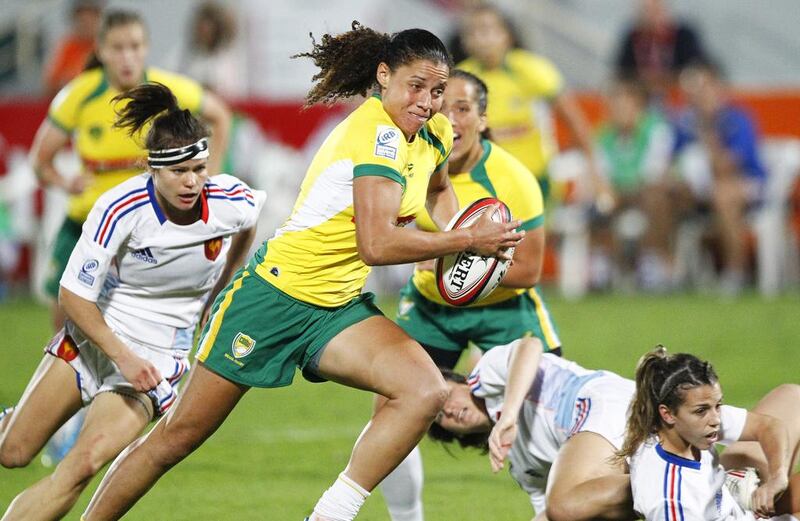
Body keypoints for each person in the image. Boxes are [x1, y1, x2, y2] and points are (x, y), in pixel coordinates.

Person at [80, 22, 523, 521]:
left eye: (437, 90)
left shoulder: (434, 132)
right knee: (175, 439)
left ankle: (329, 514)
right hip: (273, 298)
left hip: (336, 308)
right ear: (383, 76)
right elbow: (375, 245)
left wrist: (465, 246)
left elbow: (440, 192)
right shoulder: (375, 133)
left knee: (425, 389)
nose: (426, 100)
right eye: (415, 86)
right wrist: (467, 241)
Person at [0, 82, 262, 521]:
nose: (192, 181)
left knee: (80, 466)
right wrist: (123, 357)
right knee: (13, 452)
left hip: (157, 359)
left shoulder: (229, 201)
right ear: (151, 170)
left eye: (198, 168)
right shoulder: (120, 208)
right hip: (94, 341)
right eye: (179, 171)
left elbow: (249, 223)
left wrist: (220, 287)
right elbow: (72, 296)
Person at [380, 69, 561, 521]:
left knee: (549, 416)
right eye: (444, 107)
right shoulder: (409, 163)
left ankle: (557, 509)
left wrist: (459, 267)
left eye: (464, 108)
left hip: (504, 309)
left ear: (482, 119)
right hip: (431, 309)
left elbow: (531, 269)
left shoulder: (513, 180)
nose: (452, 119)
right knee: (390, 414)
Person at [429, 340, 800, 521]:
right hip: (630, 438)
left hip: (596, 402)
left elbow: (530, 347)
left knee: (565, 504)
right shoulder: (523, 466)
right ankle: (725, 482)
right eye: (439, 418)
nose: (447, 409)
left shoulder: (489, 375)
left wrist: (509, 412)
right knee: (788, 402)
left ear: (460, 379)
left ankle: (707, 483)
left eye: (444, 396)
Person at [31, 8, 231, 331]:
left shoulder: (165, 89)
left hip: (147, 230)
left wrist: (212, 177)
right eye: (118, 47)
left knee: (150, 328)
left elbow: (220, 116)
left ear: (146, 48)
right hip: (87, 223)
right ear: (101, 50)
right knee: (65, 326)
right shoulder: (79, 94)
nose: (127, 57)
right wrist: (64, 182)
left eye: (135, 46)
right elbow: (39, 161)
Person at [457, 3, 612, 206]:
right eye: (473, 32)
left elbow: (573, 119)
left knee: (533, 237)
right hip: (484, 183)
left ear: (506, 35)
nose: (481, 38)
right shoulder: (460, 80)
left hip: (535, 179)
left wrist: (596, 173)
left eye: (487, 30)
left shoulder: (532, 71)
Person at [620, 347, 800, 520]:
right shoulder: (673, 503)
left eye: (718, 405)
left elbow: (767, 426)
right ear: (667, 414)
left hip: (733, 506)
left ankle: (734, 489)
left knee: (792, 397)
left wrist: (778, 476)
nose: (716, 419)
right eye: (702, 410)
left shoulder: (677, 427)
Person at [673, 60, 767, 295]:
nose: (698, 95)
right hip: (702, 189)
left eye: (704, 87)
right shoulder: (685, 122)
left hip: (747, 185)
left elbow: (728, 166)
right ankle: (667, 271)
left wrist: (707, 131)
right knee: (664, 192)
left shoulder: (738, 120)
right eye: (694, 90)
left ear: (718, 88)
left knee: (723, 196)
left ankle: (735, 271)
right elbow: (673, 160)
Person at [591, 75, 676, 291]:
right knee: (600, 200)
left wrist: (617, 190)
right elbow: (601, 173)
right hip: (620, 196)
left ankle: (654, 260)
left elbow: (653, 173)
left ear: (639, 107)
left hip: (655, 195)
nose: (619, 110)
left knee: (654, 195)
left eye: (625, 104)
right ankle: (604, 265)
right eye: (615, 104)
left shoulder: (656, 130)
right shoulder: (604, 135)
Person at [615, 0, 708, 101]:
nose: (652, 17)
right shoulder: (633, 38)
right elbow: (622, 72)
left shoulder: (684, 36)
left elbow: (698, 67)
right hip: (643, 97)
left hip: (680, 96)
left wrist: (665, 80)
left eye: (656, 11)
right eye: (648, 11)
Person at [41, 0, 105, 99]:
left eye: (91, 19)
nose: (87, 24)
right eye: (82, 20)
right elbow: (49, 85)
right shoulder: (66, 46)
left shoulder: (107, 47)